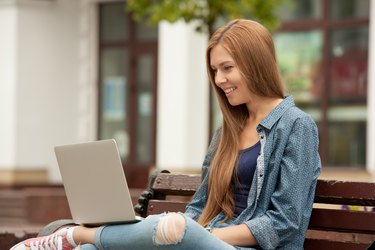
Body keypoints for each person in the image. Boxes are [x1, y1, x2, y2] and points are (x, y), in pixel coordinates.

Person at [11, 19, 321, 250]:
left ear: (255, 63)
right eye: (214, 70)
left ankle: (73, 233)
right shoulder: (228, 130)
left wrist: (200, 235)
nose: (219, 79)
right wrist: (192, 233)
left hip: (241, 247)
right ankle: (83, 240)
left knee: (173, 229)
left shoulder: (296, 126)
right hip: (205, 238)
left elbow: (285, 223)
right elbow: (200, 207)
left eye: (227, 68)